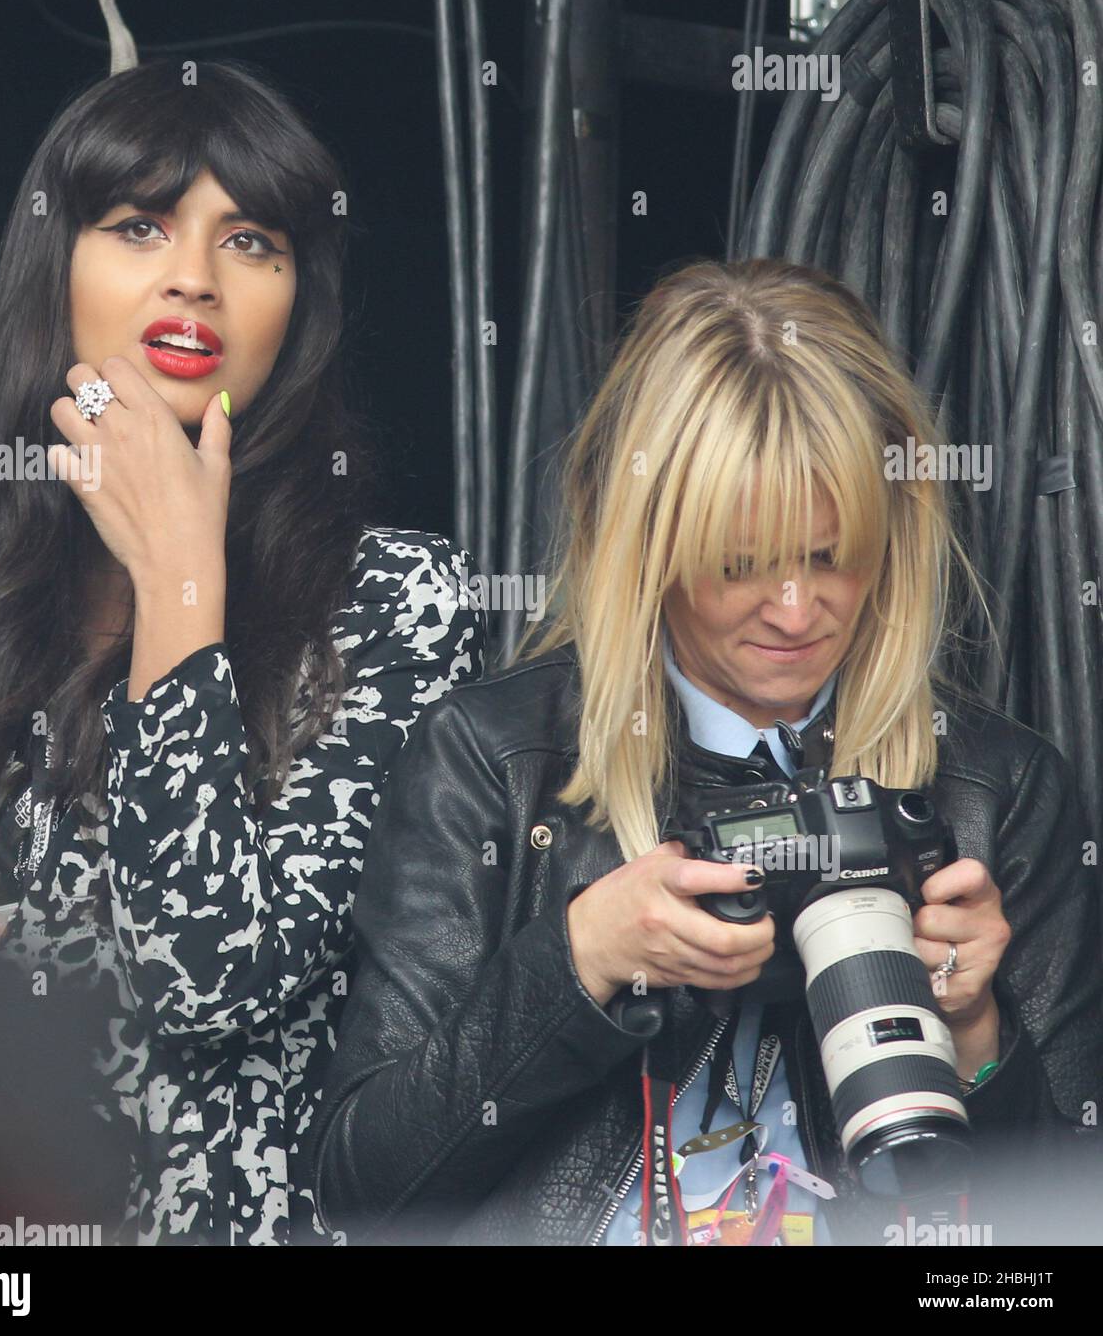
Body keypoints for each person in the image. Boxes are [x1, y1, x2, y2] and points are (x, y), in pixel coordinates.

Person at [312, 258, 1103, 1246]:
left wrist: (977, 1035)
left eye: (829, 553)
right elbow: (360, 1189)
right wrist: (582, 960)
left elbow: (1061, 1234)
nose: (796, 610)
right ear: (647, 541)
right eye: (743, 563)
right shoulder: (498, 761)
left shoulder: (997, 788)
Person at [0, 58, 485, 1246]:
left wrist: (177, 576)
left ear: (297, 305)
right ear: (54, 272)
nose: (194, 279)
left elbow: (210, 981)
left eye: (252, 241)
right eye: (141, 224)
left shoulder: (394, 600)